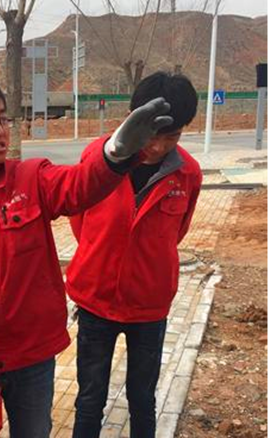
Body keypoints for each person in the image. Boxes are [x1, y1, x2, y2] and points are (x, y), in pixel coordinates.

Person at [0, 74, 173, 437]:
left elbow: (79, 185)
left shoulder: (31, 178)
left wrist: (115, 155)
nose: (0, 131)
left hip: (30, 355)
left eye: (3, 119)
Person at [66, 71, 202, 438]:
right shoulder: (97, 157)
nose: (157, 147)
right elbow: (79, 221)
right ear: (133, 118)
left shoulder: (187, 173)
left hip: (149, 305)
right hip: (96, 299)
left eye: (171, 137)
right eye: (152, 134)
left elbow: (177, 232)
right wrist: (101, 254)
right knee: (90, 398)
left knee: (142, 398)